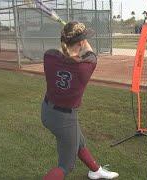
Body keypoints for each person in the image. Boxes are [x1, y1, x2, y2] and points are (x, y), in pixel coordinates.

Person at [41, 21, 119, 180]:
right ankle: (93, 170)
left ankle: (95, 170)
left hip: (47, 112)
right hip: (64, 118)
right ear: (81, 42)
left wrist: (73, 38)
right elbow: (90, 53)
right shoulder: (85, 66)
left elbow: (61, 54)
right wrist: (82, 41)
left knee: (79, 142)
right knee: (66, 166)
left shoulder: (49, 56)